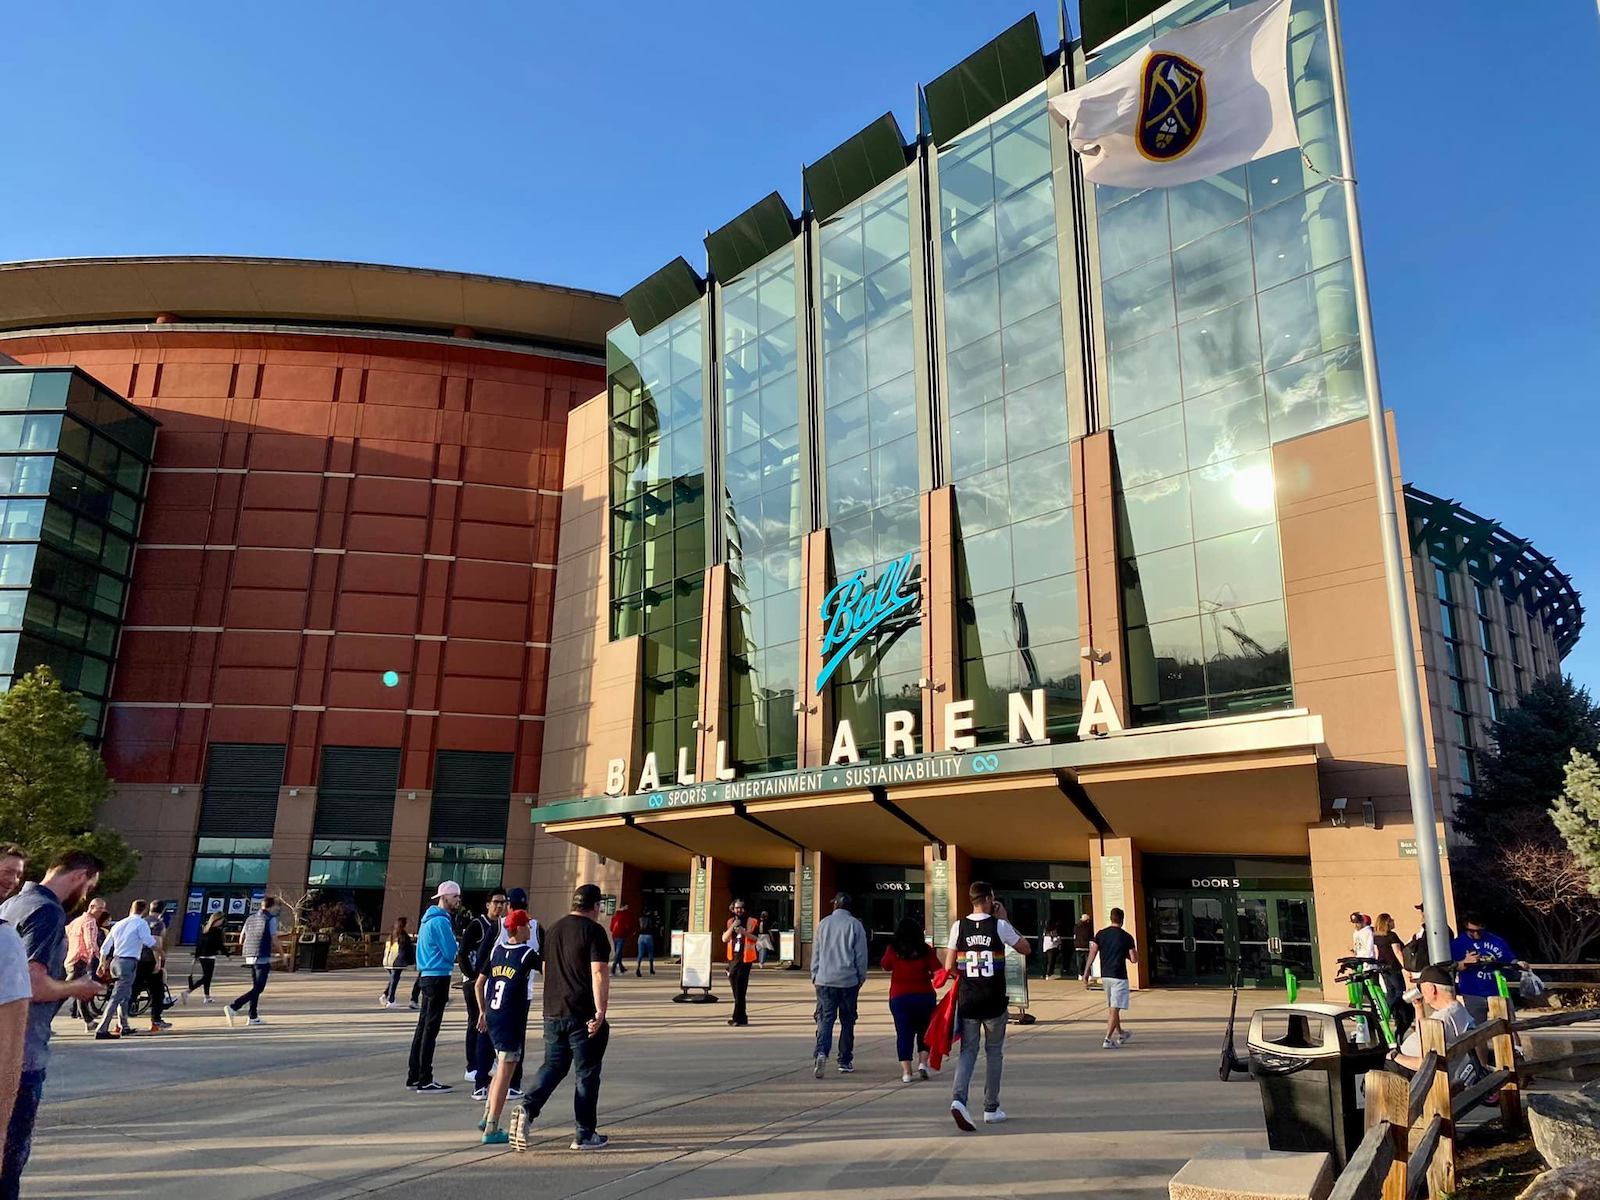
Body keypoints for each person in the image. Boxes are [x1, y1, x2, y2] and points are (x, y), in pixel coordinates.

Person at [0, 848, 103, 1200]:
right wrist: (79, 987)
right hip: (21, 1056)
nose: (86, 896)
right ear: (79, 877)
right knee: (8, 1165)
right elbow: (31, 984)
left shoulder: (11, 906)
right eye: (88, 887)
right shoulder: (47, 912)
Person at [510, 883, 612, 1153]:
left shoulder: (553, 930)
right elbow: (599, 972)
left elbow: (546, 967)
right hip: (582, 1013)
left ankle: (527, 1107)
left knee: (553, 1066)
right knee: (586, 1073)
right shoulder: (594, 931)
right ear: (596, 906)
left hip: (553, 1011)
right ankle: (584, 1133)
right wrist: (601, 1012)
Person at [945, 882, 1030, 1130]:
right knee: (994, 1052)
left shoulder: (958, 927)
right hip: (993, 999)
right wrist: (1004, 919)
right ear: (990, 898)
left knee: (968, 1051)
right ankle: (991, 1107)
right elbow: (1025, 948)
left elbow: (949, 965)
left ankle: (959, 1099)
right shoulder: (999, 926)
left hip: (969, 999)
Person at [475, 909, 542, 1144]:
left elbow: (479, 983)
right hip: (511, 1018)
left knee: (500, 1066)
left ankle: (486, 1114)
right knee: (506, 1070)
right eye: (528, 926)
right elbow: (551, 971)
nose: (531, 929)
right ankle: (492, 1127)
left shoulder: (498, 950)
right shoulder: (527, 954)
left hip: (493, 1014)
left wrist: (482, 1010)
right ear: (520, 928)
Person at [407, 880, 462, 1093]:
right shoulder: (441, 922)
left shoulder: (427, 920)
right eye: (455, 896)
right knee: (431, 1029)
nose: (458, 900)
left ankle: (414, 1075)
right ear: (444, 897)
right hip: (438, 975)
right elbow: (450, 952)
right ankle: (425, 1078)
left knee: (422, 1028)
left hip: (427, 975)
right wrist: (456, 947)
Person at [1388, 964, 1480, 1089]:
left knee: (1368, 1083)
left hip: (1411, 1074)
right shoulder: (1458, 1010)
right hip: (1416, 1069)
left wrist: (1395, 1056)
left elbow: (1426, 1065)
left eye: (1422, 987)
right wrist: (1419, 1007)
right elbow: (1423, 1036)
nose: (1420, 990)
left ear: (1432, 989)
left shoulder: (1442, 1019)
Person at [810, 892, 867, 1077]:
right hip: (848, 980)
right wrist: (861, 977)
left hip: (825, 979)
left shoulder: (823, 923)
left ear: (835, 905)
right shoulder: (855, 925)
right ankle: (844, 1060)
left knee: (826, 1019)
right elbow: (860, 955)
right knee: (847, 1021)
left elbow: (816, 952)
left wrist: (814, 974)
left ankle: (821, 1052)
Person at [459, 890, 507, 1091]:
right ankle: (472, 1065)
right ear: (487, 904)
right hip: (475, 982)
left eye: (503, 902)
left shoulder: (503, 926)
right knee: (476, 1022)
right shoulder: (478, 925)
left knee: (490, 1023)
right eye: (496, 902)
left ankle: (487, 1061)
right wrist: (471, 977)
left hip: (493, 983)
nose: (500, 906)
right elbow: (462, 952)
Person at [881, 916, 937, 1083]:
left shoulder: (893, 949)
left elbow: (885, 965)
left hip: (900, 997)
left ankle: (907, 1072)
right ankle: (923, 1064)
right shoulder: (925, 949)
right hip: (924, 995)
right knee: (924, 1032)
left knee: (903, 1033)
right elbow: (937, 970)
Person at [97, 899, 159, 1038]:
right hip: (128, 962)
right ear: (143, 911)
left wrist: (102, 962)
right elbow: (148, 941)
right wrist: (160, 952)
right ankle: (102, 1028)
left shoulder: (119, 924)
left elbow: (106, 946)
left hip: (115, 960)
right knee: (117, 996)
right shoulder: (141, 923)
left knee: (125, 995)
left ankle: (124, 1026)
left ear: (131, 908)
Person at [1451, 912, 1522, 1024]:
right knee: (1477, 1030)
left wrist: (1519, 964)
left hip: (1499, 990)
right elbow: (1452, 968)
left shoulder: (1497, 941)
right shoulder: (1458, 944)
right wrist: (1464, 962)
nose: (1476, 934)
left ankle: (1514, 1042)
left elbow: (1510, 959)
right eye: (1472, 931)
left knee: (1508, 1025)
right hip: (1473, 992)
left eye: (1479, 931)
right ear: (1466, 927)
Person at [1083, 907, 1138, 1050]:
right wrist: (1126, 953)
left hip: (1106, 976)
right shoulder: (1127, 937)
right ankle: (1107, 1039)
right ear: (1122, 919)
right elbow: (1134, 959)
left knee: (1113, 1008)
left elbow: (1092, 953)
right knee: (1114, 1009)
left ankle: (1121, 1033)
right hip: (1119, 976)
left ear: (1111, 918)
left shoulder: (1101, 934)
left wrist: (1086, 971)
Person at [223, 895, 279, 1027]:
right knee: (259, 987)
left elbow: (241, 938)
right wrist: (281, 954)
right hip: (262, 955)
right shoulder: (270, 919)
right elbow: (275, 938)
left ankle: (253, 1016)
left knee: (256, 987)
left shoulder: (250, 918)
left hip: (250, 955)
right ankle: (234, 1006)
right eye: (276, 905)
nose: (277, 908)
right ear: (271, 906)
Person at [65, 897, 106, 1027]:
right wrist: (101, 959)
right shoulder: (90, 922)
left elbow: (66, 936)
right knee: (63, 991)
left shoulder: (76, 921)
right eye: (99, 909)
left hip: (71, 958)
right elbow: (91, 943)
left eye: (103, 909)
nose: (101, 912)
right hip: (80, 960)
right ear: (91, 907)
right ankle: (43, 1018)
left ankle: (88, 1020)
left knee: (81, 991)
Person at [136, 898, 171, 1033]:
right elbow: (155, 942)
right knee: (158, 991)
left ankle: (124, 1016)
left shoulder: (142, 921)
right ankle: (156, 1019)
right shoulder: (158, 924)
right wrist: (158, 962)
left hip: (138, 958)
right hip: (150, 960)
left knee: (135, 989)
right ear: (162, 910)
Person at [722, 899, 758, 1027]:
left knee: (740, 987)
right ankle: (742, 1016)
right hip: (733, 958)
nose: (739, 910)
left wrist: (744, 932)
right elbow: (724, 938)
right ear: (733, 909)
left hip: (745, 958)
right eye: (737, 908)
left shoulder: (752, 921)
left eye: (741, 908)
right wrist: (733, 927)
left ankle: (737, 1017)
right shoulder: (730, 922)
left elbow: (756, 939)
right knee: (736, 986)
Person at [183, 913, 226, 1004]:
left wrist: (196, 956)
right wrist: (227, 954)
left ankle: (207, 996)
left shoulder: (205, 929)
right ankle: (188, 991)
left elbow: (200, 944)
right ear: (217, 920)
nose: (222, 922)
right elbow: (220, 945)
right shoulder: (217, 931)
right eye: (221, 920)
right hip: (210, 956)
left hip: (202, 956)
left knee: (207, 977)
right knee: (207, 977)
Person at [381, 915, 414, 1009]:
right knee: (394, 980)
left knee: (392, 979)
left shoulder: (392, 934)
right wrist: (409, 962)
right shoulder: (403, 936)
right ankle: (391, 1000)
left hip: (388, 960)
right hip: (397, 961)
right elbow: (405, 950)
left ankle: (385, 995)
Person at [608, 903, 635, 976]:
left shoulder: (615, 916)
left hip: (614, 935)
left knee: (618, 952)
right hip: (621, 935)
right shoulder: (625, 915)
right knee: (618, 953)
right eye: (627, 906)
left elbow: (611, 927)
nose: (628, 908)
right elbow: (628, 925)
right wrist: (629, 932)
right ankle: (613, 969)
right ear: (624, 906)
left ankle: (621, 968)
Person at [635, 909, 657, 976]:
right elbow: (653, 927)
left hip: (641, 937)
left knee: (640, 954)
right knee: (650, 953)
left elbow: (638, 927)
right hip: (649, 936)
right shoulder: (651, 919)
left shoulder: (640, 919)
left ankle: (638, 968)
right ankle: (651, 969)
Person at [1073, 912, 1094, 981]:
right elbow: (1090, 935)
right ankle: (1089, 974)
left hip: (1078, 946)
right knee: (1088, 961)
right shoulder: (1088, 926)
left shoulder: (1076, 926)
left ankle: (1080, 974)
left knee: (1080, 962)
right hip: (1085, 946)